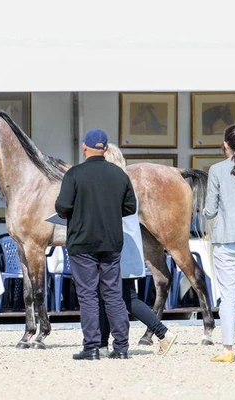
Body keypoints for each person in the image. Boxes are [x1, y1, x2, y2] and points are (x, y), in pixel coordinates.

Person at [55, 129, 136, 360]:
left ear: (84, 147)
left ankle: (91, 347)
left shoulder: (75, 174)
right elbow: (130, 207)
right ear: (106, 149)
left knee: (88, 295)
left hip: (82, 242)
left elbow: (62, 207)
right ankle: (121, 347)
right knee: (113, 294)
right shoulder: (120, 175)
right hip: (111, 241)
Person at [100, 143, 177, 356]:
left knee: (123, 297)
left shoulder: (113, 185)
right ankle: (102, 343)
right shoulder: (125, 183)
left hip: (117, 248)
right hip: (127, 248)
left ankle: (162, 332)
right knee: (117, 295)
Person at [203, 124, 235, 363]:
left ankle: (228, 349)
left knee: (229, 297)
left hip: (226, 240)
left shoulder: (217, 170)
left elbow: (210, 211)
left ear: (225, 145)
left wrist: (204, 214)